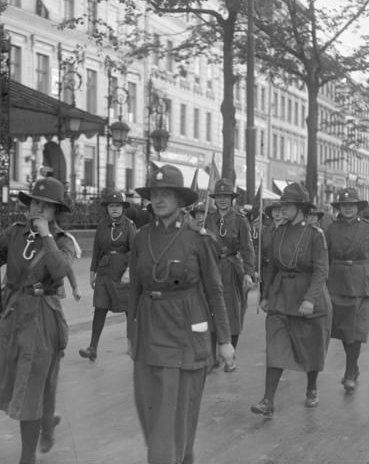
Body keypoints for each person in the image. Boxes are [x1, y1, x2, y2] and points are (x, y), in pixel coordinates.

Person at [128, 164, 234, 464]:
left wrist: (224, 340)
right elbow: (135, 287)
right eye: (155, 194)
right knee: (149, 407)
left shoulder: (198, 239)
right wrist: (131, 334)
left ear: (180, 200)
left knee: (177, 413)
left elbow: (215, 290)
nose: (159, 200)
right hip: (150, 328)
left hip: (186, 330)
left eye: (166, 194)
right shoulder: (141, 237)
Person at [0, 177, 78, 464]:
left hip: (43, 316)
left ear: (56, 212)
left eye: (46, 206)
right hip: (12, 314)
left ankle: (27, 456)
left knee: (30, 386)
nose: (38, 209)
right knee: (5, 374)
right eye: (34, 203)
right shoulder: (16, 233)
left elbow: (60, 273)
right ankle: (46, 421)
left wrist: (46, 235)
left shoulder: (62, 241)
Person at [251, 183, 331, 416]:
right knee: (275, 346)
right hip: (280, 297)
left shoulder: (316, 235)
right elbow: (272, 268)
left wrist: (309, 299)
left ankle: (312, 387)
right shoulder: (279, 231)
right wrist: (265, 296)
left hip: (307, 297)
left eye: (288, 205)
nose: (283, 209)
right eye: (282, 204)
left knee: (311, 346)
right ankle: (268, 400)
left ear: (301, 209)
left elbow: (321, 271)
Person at [326, 188, 369, 393]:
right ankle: (352, 366)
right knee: (344, 330)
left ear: (358, 208)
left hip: (363, 283)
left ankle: (350, 372)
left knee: (357, 330)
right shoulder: (331, 229)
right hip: (337, 282)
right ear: (339, 208)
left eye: (351, 205)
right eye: (344, 206)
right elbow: (324, 259)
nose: (348, 209)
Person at [79, 190, 137, 361]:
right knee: (100, 308)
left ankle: (134, 347)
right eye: (111, 206)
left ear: (123, 208)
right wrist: (92, 272)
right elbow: (97, 250)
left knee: (129, 310)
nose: (115, 209)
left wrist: (128, 272)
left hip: (122, 271)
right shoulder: (102, 225)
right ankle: (92, 348)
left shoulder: (129, 225)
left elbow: (135, 251)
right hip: (104, 270)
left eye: (118, 206)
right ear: (107, 208)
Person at [205, 178, 256, 372]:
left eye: (226, 196)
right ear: (215, 199)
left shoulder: (240, 220)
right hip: (211, 268)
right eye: (219, 196)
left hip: (232, 268)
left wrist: (249, 273)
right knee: (210, 310)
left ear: (232, 199)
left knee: (233, 312)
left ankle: (230, 354)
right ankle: (211, 356)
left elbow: (248, 249)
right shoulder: (208, 219)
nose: (223, 200)